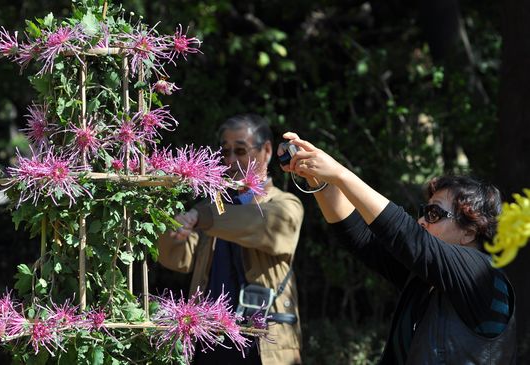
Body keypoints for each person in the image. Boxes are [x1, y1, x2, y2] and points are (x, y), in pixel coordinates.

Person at [279, 132, 516, 364]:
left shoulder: (481, 272)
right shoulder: (426, 280)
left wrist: (340, 174)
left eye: (434, 213)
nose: (422, 220)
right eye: (424, 212)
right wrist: (315, 175)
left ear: (469, 232)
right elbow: (360, 237)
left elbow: (407, 236)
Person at [158, 115, 304, 365]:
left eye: (240, 150)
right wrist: (172, 227)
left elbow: (260, 223)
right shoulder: (215, 207)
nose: (231, 161)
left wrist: (202, 216)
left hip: (262, 347)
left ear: (267, 150)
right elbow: (178, 259)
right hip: (209, 343)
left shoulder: (285, 204)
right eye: (226, 152)